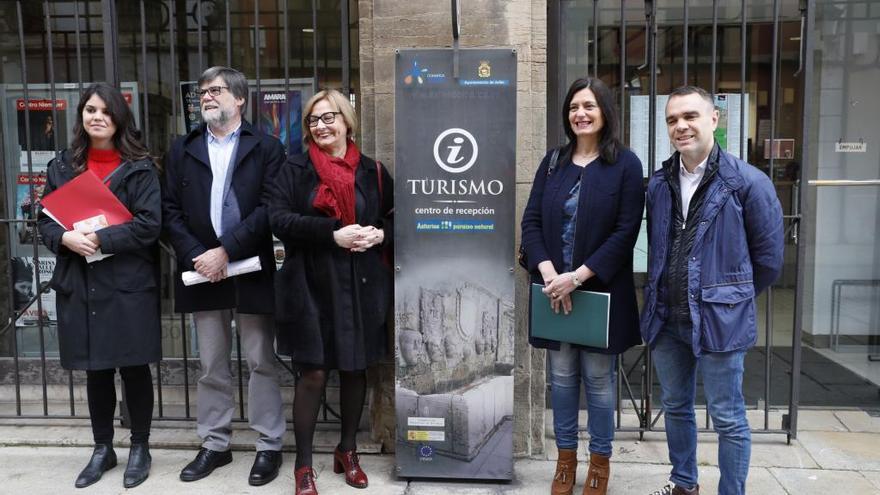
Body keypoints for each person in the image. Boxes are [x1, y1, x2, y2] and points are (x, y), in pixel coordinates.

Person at [642, 86, 784, 495]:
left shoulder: (747, 183)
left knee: (727, 417)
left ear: (714, 120)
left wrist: (728, 299)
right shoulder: (660, 183)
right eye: (672, 120)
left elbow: (769, 261)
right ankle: (684, 483)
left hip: (720, 322)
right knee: (675, 407)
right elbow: (659, 247)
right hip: (668, 320)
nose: (681, 126)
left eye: (690, 116)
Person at [520, 77, 645, 495]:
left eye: (589, 105)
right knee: (560, 378)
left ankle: (600, 464)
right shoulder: (553, 161)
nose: (581, 114)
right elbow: (531, 221)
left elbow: (626, 232)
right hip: (555, 290)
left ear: (605, 111)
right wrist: (551, 273)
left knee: (598, 381)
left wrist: (578, 277)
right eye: (574, 106)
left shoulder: (625, 165)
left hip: (599, 292)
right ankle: (565, 461)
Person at [162, 66, 286, 486]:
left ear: (239, 99)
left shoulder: (267, 147)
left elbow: (270, 207)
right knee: (211, 363)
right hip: (202, 270)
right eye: (201, 93)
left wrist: (226, 250)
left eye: (215, 91)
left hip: (249, 266)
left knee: (261, 361)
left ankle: (269, 445)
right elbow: (169, 211)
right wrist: (199, 255)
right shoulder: (183, 148)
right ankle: (215, 443)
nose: (206, 98)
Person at [36, 82, 161, 489]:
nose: (97, 117)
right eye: (90, 110)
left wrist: (101, 239)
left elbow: (149, 225)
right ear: (81, 116)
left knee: (134, 366)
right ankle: (102, 448)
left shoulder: (141, 167)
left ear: (119, 118)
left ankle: (140, 446)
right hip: (83, 282)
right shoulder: (62, 166)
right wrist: (64, 239)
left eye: (105, 111)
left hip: (127, 282)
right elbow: (43, 221)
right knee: (96, 369)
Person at [269, 89, 392, 495]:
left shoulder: (373, 171)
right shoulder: (294, 169)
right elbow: (279, 219)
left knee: (356, 368)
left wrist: (380, 232)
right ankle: (304, 466)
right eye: (313, 121)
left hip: (360, 282)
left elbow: (395, 217)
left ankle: (348, 451)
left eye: (328, 118)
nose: (320, 126)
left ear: (347, 121)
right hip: (310, 283)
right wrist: (331, 234)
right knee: (314, 372)